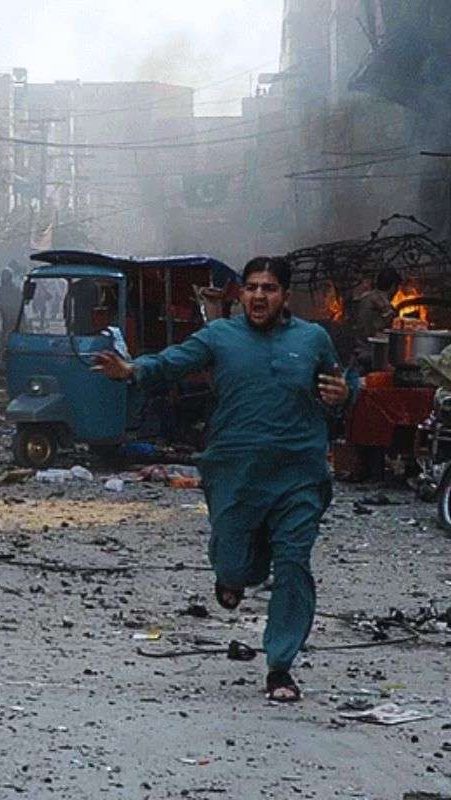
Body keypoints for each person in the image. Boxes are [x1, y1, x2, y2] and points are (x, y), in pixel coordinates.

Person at [93, 257, 354, 703]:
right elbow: (173, 362)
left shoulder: (312, 339)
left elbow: (341, 387)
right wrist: (132, 369)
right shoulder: (220, 336)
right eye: (251, 287)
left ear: (285, 295)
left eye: (269, 288)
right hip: (236, 472)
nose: (258, 296)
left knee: (293, 563)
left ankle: (280, 667)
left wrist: (344, 394)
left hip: (298, 474)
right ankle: (233, 576)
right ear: (241, 294)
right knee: (237, 566)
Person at [350, 268, 400, 369]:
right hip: (372, 354)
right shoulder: (382, 302)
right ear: (393, 287)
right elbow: (391, 328)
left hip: (359, 350)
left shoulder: (366, 298)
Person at [0, 268, 23, 333]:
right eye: (3, 275)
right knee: (5, 328)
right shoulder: (0, 288)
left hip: (14, 312)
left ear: (10, 276)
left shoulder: (15, 288)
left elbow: (19, 300)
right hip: (4, 312)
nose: (5, 277)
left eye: (6, 275)